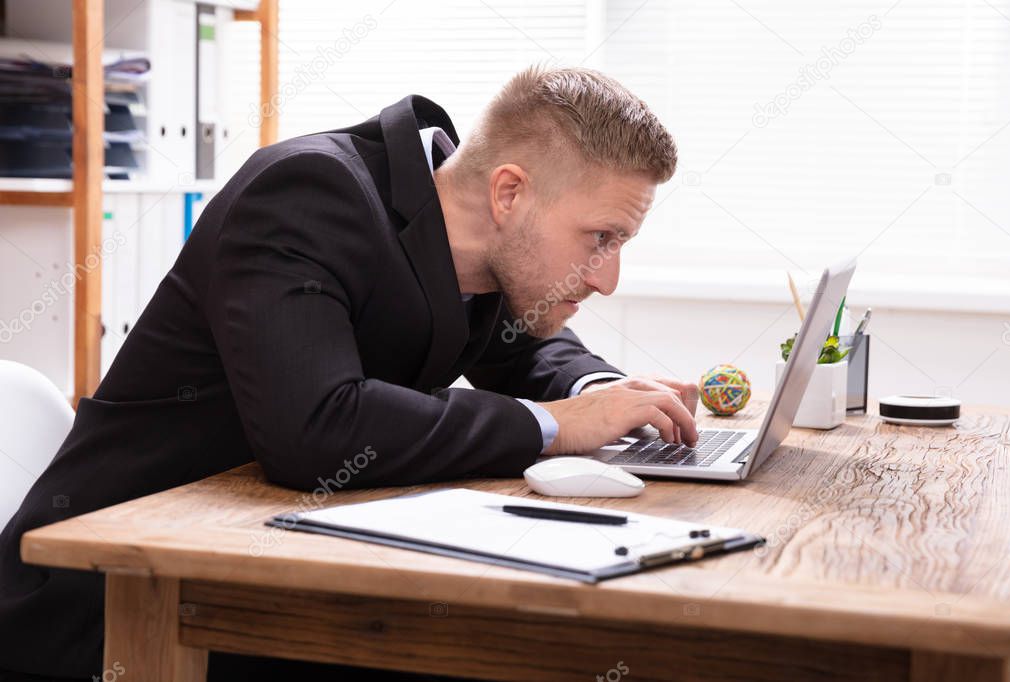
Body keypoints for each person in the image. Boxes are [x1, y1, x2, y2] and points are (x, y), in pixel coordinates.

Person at [0, 65, 698, 680]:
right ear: (508, 193)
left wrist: (602, 393)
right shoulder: (305, 194)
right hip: (107, 596)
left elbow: (518, 344)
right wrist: (551, 427)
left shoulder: (468, 236)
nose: (607, 277)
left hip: (264, 557)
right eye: (599, 238)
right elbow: (318, 430)